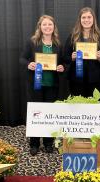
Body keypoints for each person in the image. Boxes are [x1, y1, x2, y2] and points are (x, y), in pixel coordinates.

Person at [20, 15, 64, 156]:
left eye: (50, 24)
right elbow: (22, 58)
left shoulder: (58, 44)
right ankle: (34, 143)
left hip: (52, 85)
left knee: (49, 115)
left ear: (53, 27)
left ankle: (48, 143)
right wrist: (29, 64)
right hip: (36, 85)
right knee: (36, 115)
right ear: (40, 27)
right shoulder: (32, 42)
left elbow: (64, 63)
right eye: (44, 24)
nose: (47, 27)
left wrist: (62, 67)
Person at [64, 7, 100, 98]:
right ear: (80, 20)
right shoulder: (73, 36)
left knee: (94, 108)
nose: (86, 20)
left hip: (95, 79)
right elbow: (65, 58)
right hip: (76, 79)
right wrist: (71, 58)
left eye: (89, 17)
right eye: (83, 17)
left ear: (93, 19)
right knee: (77, 108)